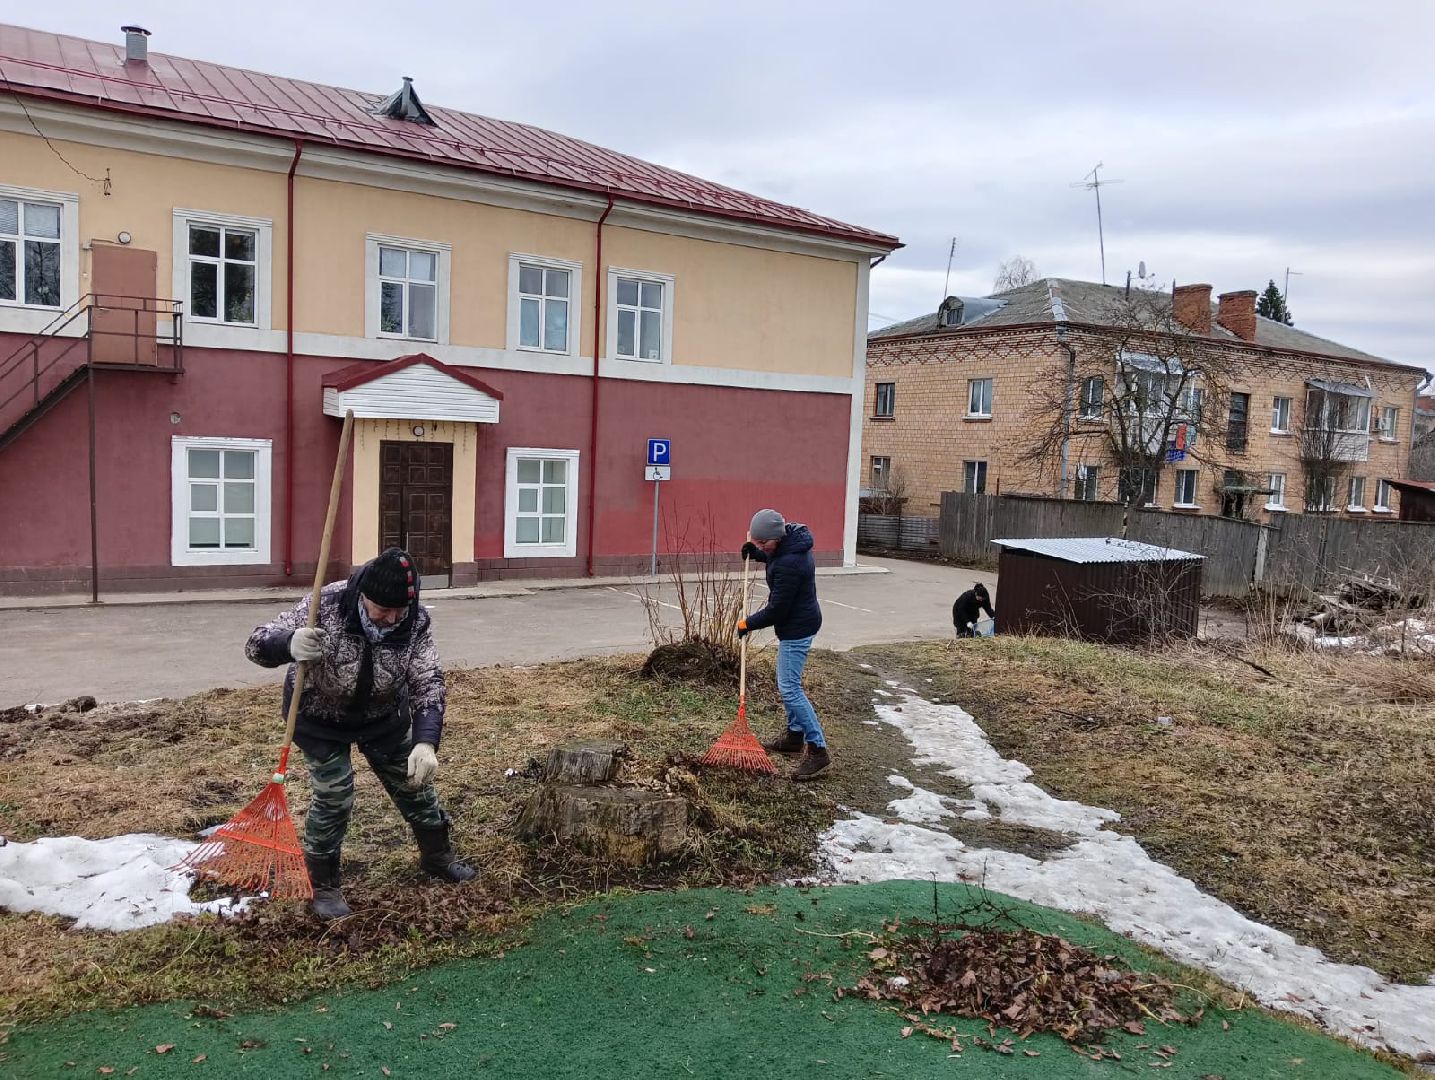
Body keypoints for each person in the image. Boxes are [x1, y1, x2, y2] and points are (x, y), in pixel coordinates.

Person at [245, 547, 474, 919]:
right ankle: (323, 886)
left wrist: (426, 741)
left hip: (384, 717)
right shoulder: (327, 603)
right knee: (335, 796)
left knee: (416, 784)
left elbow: (427, 679)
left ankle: (438, 857)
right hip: (320, 719)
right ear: (364, 596)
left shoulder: (413, 620)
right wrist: (288, 643)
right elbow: (256, 644)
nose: (391, 619)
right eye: (383, 610)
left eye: (399, 612)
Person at [738, 508, 830, 780]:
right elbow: (776, 556)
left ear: (776, 536)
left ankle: (818, 750)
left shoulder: (791, 563)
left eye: (763, 543)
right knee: (787, 684)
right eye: (757, 542)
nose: (761, 545)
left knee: (789, 688)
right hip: (799, 622)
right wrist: (759, 555)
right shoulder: (789, 545)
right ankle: (793, 736)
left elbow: (777, 609)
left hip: (796, 628)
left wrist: (747, 624)